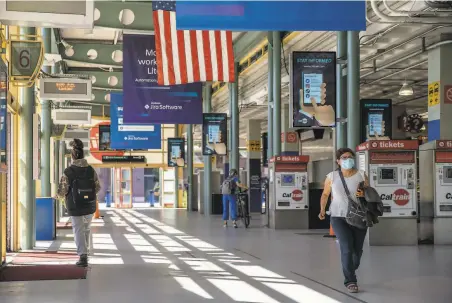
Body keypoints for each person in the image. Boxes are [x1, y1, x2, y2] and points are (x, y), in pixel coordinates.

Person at [319, 148, 369, 293]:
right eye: (344, 157)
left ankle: (350, 268)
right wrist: (322, 209)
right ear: (338, 161)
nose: (348, 159)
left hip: (359, 216)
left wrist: (363, 193)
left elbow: (369, 194)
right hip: (338, 216)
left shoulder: (361, 175)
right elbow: (325, 194)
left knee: (357, 252)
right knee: (346, 248)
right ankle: (350, 280)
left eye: (350, 157)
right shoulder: (332, 176)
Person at [57, 139, 101, 267]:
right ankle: (85, 252)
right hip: (89, 205)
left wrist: (58, 196)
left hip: (75, 206)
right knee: (86, 229)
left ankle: (83, 256)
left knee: (78, 229)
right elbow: (97, 188)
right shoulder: (91, 170)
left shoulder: (69, 171)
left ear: (72, 155)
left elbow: (62, 190)